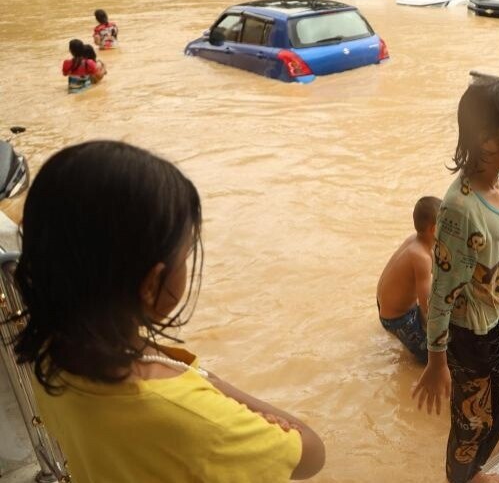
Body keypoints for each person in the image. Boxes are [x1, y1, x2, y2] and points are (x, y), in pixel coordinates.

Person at [10, 140, 326, 482]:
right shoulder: (192, 413)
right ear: (151, 284)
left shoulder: (46, 353)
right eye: (185, 254)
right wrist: (216, 388)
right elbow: (310, 454)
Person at [412, 81, 499, 483]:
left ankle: (472, 470)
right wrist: (435, 361)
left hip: (494, 319)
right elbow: (441, 291)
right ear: (488, 140)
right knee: (471, 420)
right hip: (467, 334)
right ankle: (462, 477)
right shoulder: (459, 209)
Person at [376, 195, 442, 364]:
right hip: (397, 318)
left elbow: (437, 267)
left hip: (384, 303)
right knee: (430, 358)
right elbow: (426, 305)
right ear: (434, 229)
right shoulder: (421, 258)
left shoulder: (415, 240)